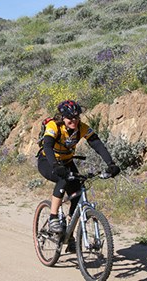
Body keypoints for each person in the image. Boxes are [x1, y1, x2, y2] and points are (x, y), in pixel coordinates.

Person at [37, 100, 120, 252]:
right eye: (70, 118)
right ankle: (53, 217)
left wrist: (111, 164)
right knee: (63, 179)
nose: (74, 120)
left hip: (67, 162)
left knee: (78, 195)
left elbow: (97, 144)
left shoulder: (82, 128)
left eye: (76, 117)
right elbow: (47, 146)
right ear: (63, 117)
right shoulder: (54, 126)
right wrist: (56, 166)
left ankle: (69, 236)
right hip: (47, 161)